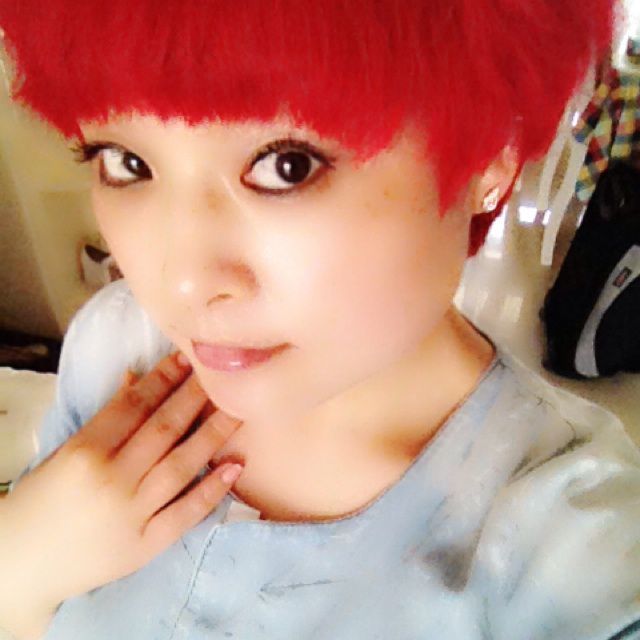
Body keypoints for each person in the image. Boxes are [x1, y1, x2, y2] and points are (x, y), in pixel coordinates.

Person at [0, 1, 638, 639]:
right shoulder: (115, 345)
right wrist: (19, 567)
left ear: (489, 157)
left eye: (286, 166)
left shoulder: (576, 550)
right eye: (125, 162)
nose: (183, 283)